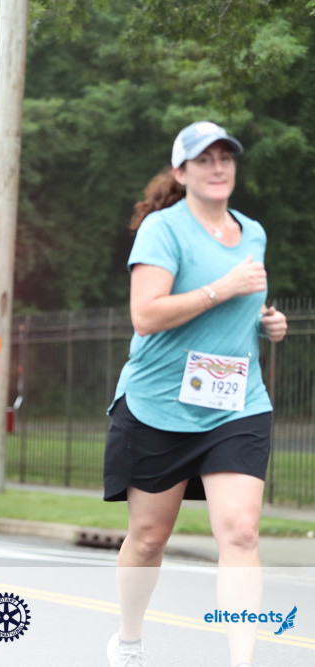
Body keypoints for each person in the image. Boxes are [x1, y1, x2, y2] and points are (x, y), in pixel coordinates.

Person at [103, 122, 287, 667]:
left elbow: (239, 312)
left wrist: (266, 323)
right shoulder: (162, 230)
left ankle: (242, 661)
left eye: (225, 157)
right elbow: (146, 314)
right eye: (204, 159)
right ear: (181, 172)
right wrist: (220, 290)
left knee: (242, 532)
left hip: (235, 404)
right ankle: (129, 641)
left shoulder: (252, 233)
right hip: (159, 404)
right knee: (148, 538)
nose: (218, 168)